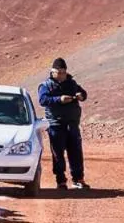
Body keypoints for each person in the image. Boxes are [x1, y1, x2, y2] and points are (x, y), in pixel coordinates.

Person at [38, 57, 89, 191]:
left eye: (63, 72)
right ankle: (61, 181)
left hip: (72, 123)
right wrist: (59, 99)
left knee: (76, 152)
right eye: (58, 72)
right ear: (52, 72)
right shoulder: (46, 85)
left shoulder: (72, 83)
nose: (61, 75)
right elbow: (43, 100)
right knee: (58, 154)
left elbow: (83, 93)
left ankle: (78, 179)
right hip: (56, 124)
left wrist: (80, 95)